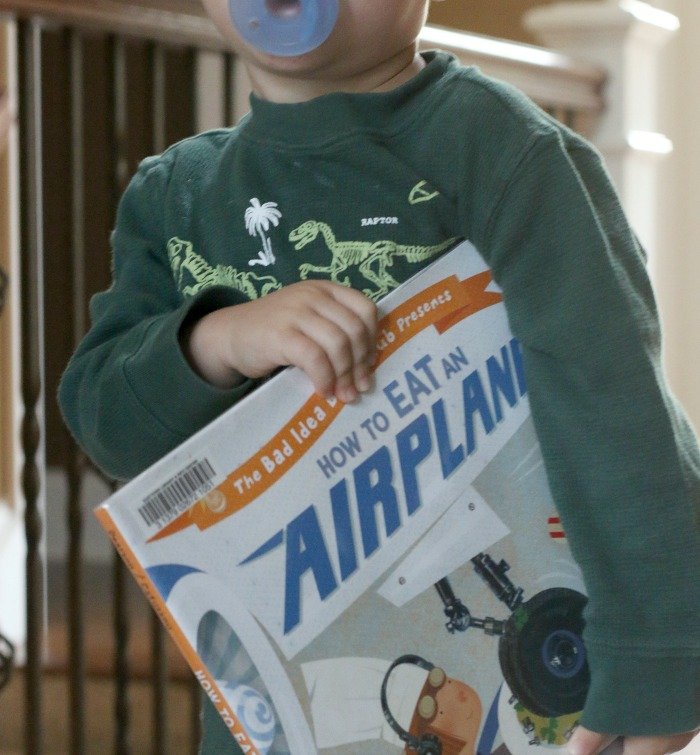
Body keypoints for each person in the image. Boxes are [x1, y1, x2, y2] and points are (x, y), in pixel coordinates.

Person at [58, 1, 699, 753]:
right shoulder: (175, 195)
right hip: (281, 704)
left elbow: (614, 402)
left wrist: (664, 659)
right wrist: (219, 339)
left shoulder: (505, 152)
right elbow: (105, 420)